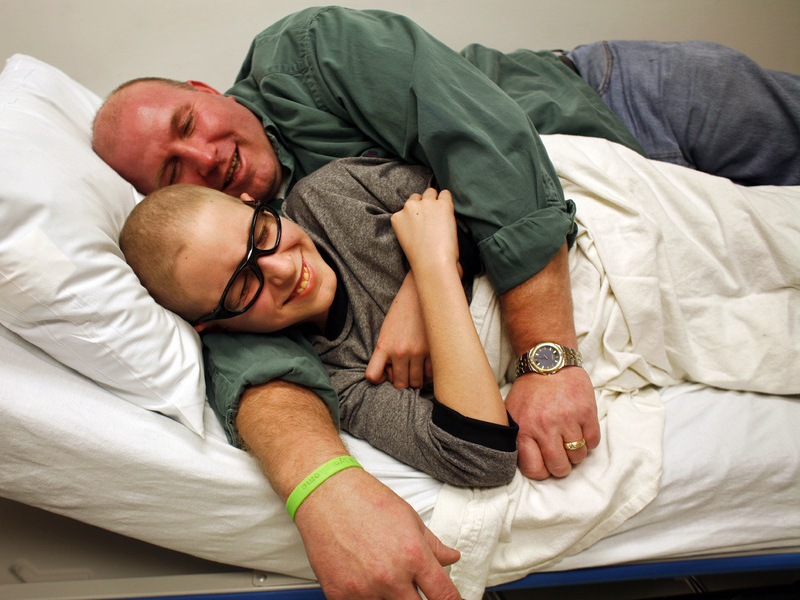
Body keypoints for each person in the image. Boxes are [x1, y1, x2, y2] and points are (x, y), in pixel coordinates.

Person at [92, 6, 800, 597]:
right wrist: (323, 488)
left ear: (202, 88)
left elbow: (482, 154)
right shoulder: (252, 260)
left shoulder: (305, 68)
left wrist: (510, 340)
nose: (205, 159)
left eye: (188, 126)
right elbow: (261, 368)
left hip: (620, 104)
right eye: (172, 171)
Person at [120, 159, 522, 488]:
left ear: (252, 203)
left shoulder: (331, 193)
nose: (282, 268)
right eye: (242, 286)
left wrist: (417, 288)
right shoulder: (339, 376)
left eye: (261, 234)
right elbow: (481, 457)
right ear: (217, 328)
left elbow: (495, 184)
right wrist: (434, 268)